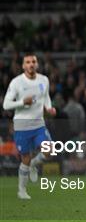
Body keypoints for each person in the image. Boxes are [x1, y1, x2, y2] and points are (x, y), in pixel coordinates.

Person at [2, 54, 56, 200]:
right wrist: (22, 102)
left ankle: (34, 164)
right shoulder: (16, 82)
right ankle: (22, 190)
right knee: (25, 158)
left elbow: (46, 97)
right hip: (21, 126)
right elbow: (6, 104)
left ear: (37, 64)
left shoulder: (44, 80)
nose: (31, 64)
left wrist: (49, 108)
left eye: (33, 62)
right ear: (23, 66)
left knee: (49, 150)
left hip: (39, 124)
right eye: (28, 62)